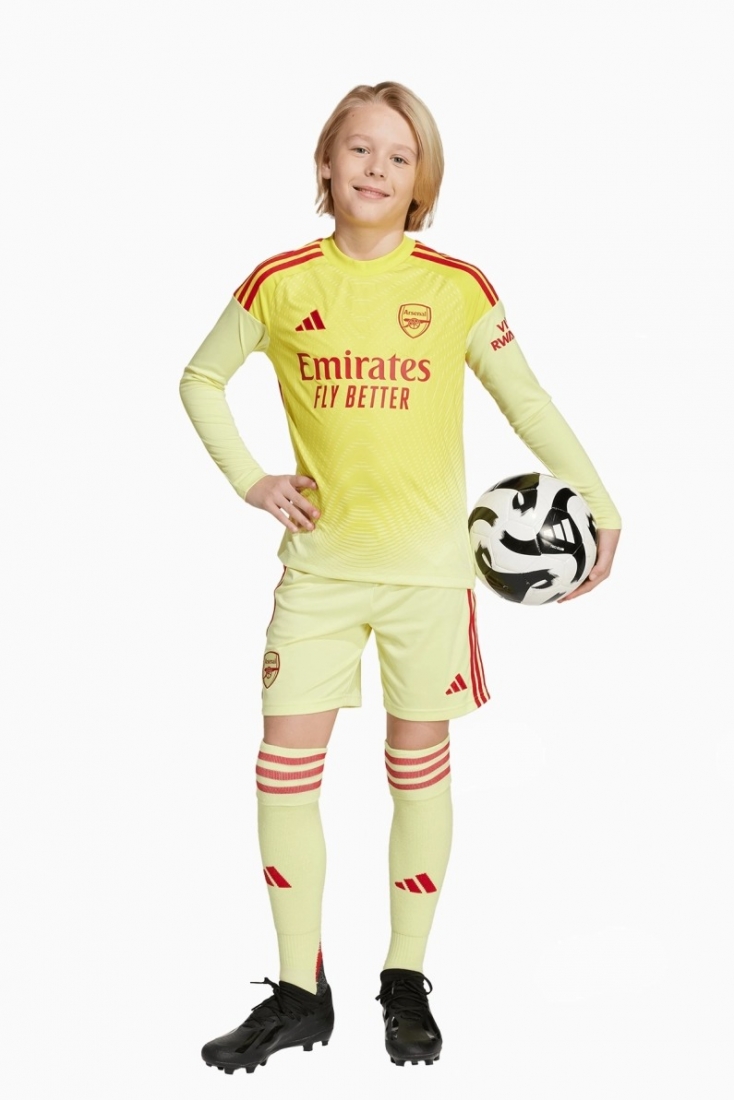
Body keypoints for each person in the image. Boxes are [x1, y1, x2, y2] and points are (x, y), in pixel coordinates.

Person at [179, 81, 621, 1074]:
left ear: (422, 179)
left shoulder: (456, 286)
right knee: (283, 768)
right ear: (325, 163)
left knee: (414, 768)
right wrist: (253, 480)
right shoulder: (281, 283)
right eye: (359, 148)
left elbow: (526, 401)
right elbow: (199, 378)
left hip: (429, 579)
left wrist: (599, 505)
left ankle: (404, 979)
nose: (376, 168)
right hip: (319, 575)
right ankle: (300, 992)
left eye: (399, 154)